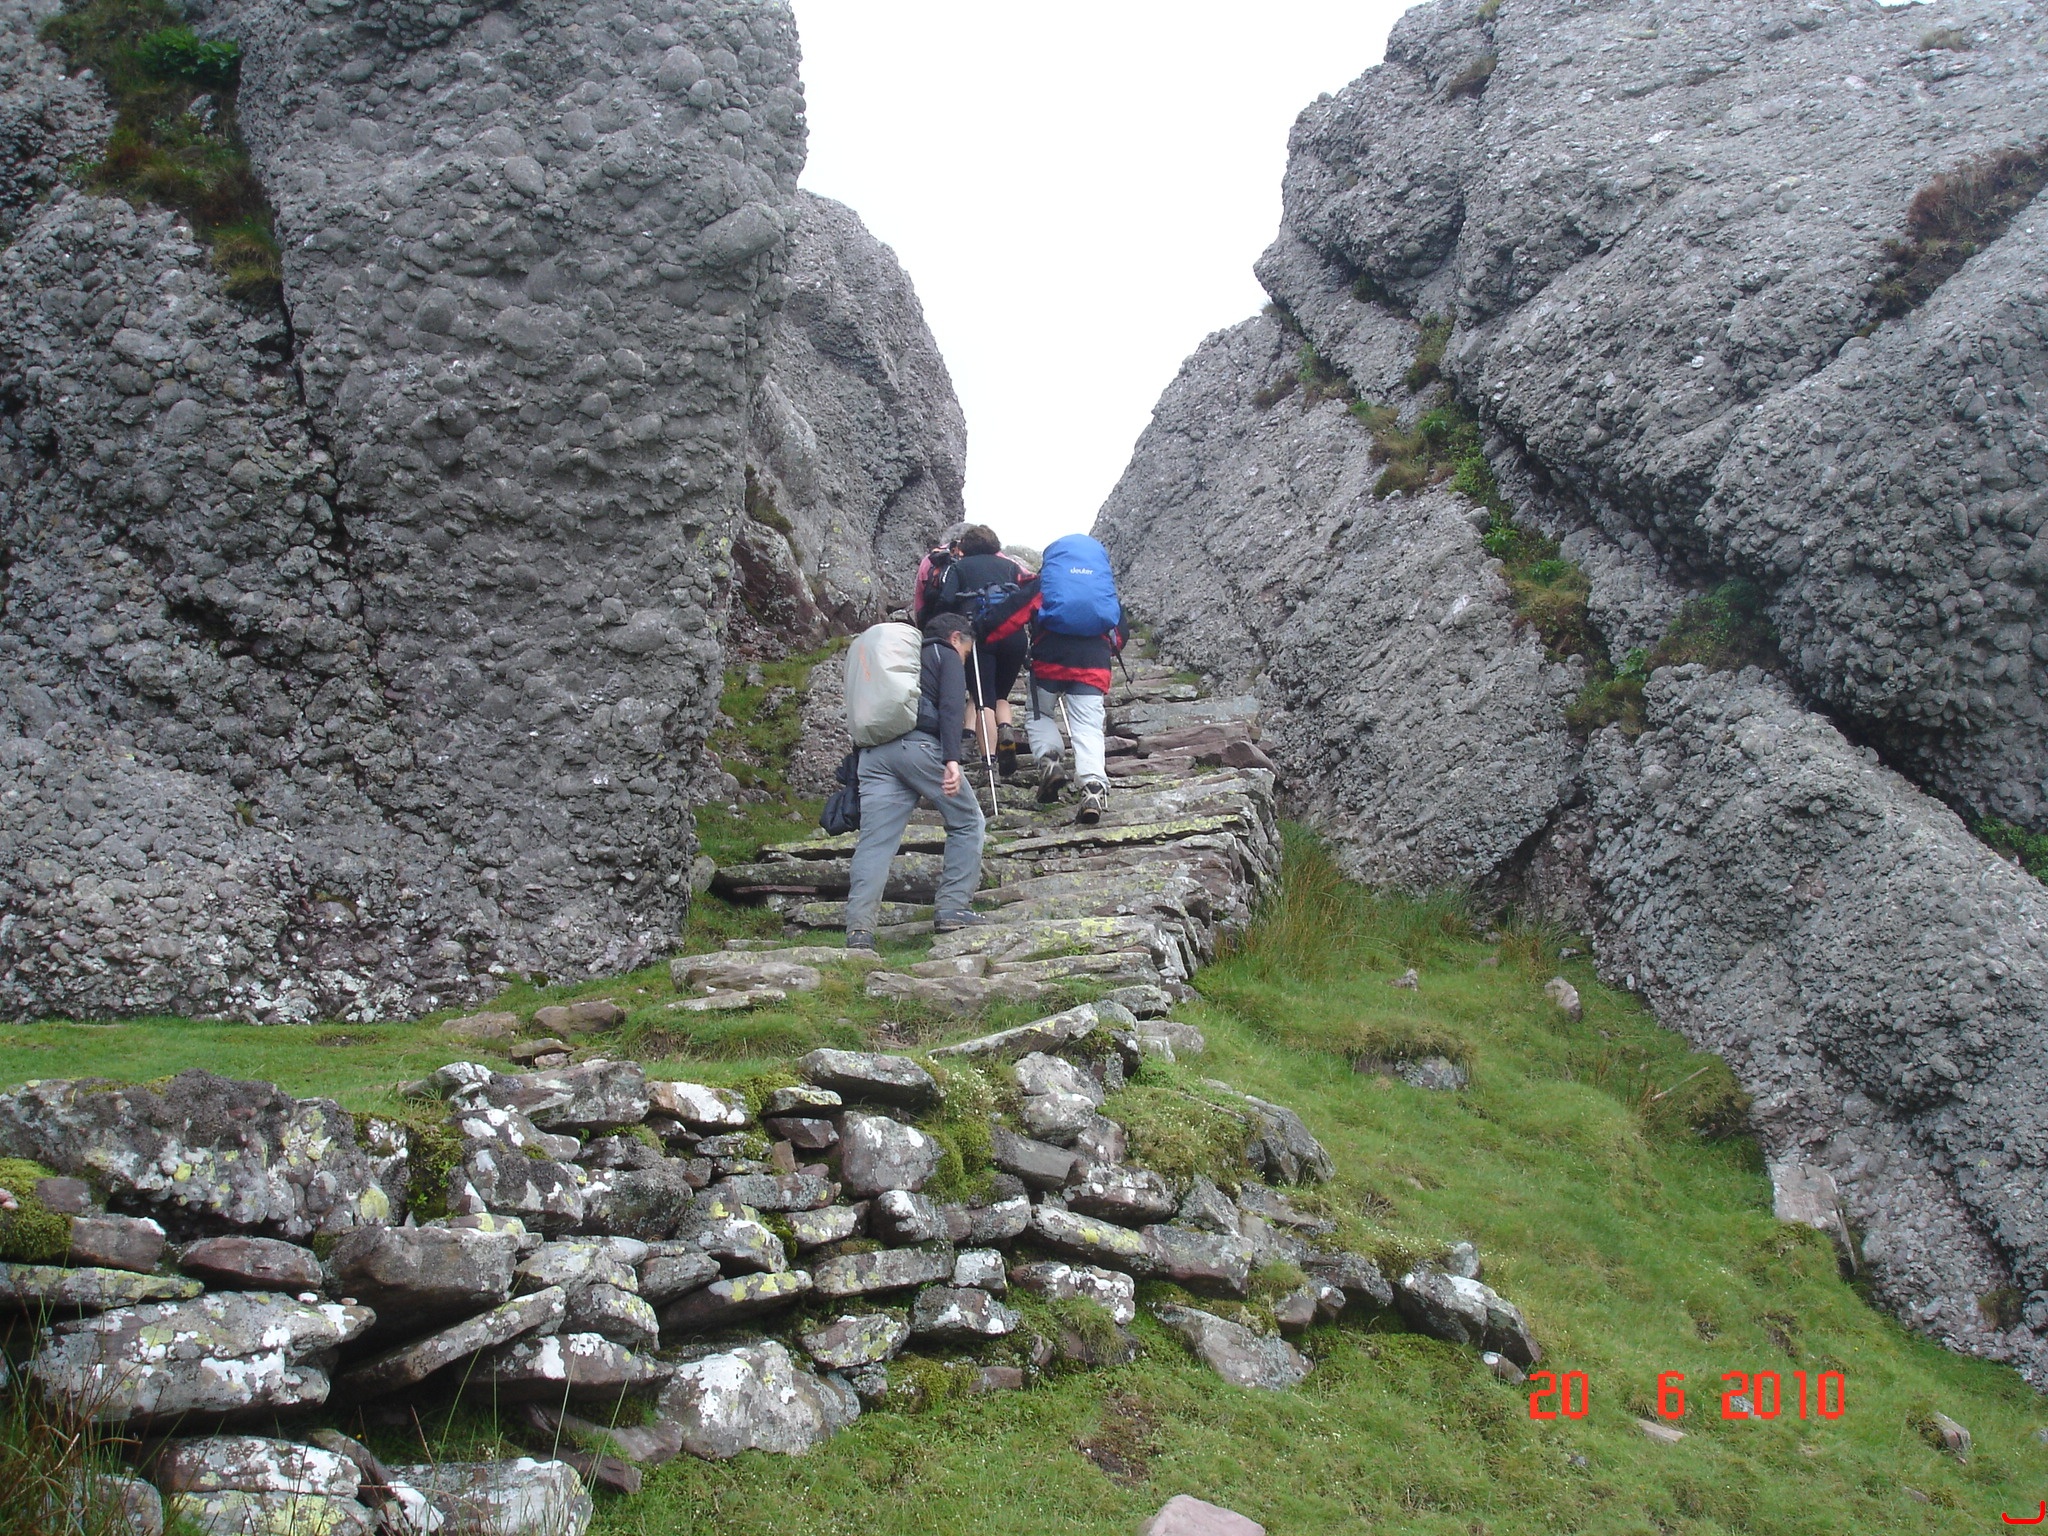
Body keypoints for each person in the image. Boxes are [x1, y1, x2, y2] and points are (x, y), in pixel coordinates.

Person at [842, 611, 988, 950]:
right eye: (966, 651)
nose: (964, 658)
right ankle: (953, 907)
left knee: (875, 844)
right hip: (919, 747)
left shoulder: (896, 663)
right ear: (956, 637)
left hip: (874, 755)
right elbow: (951, 706)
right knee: (967, 821)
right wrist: (952, 759)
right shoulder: (944, 653)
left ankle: (859, 930)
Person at [932, 524, 1032, 777]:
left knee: (983, 700)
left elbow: (946, 600)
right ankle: (1005, 727)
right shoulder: (1010, 566)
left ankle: (990, 763)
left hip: (980, 636)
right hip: (1014, 636)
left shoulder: (959, 567)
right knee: (1001, 695)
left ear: (966, 546)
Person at [1026, 613, 1122, 825]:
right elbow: (1119, 630)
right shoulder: (1102, 593)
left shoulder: (1047, 590)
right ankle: (1093, 789)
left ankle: (1050, 761)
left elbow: (1023, 613)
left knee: (1039, 713)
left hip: (1049, 657)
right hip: (1093, 661)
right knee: (1088, 727)